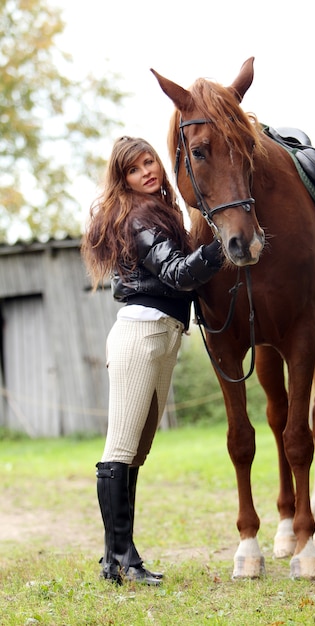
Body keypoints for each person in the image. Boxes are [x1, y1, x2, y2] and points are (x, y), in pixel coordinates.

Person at [81, 136, 223, 586]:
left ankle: (114, 560)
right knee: (120, 449)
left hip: (163, 335)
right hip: (140, 334)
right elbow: (178, 273)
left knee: (135, 453)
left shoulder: (161, 212)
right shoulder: (139, 216)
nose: (147, 171)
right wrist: (224, 246)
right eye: (134, 169)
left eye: (149, 162)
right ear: (123, 179)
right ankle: (124, 555)